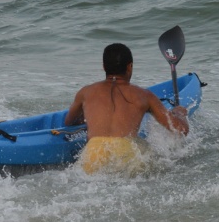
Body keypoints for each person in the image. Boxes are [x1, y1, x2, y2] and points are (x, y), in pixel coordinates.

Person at [65, 43, 188, 174]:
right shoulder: (144, 95)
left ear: (104, 66)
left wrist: (89, 120)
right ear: (129, 66)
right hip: (126, 152)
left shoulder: (85, 92)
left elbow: (69, 121)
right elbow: (180, 129)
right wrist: (179, 113)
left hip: (93, 153)